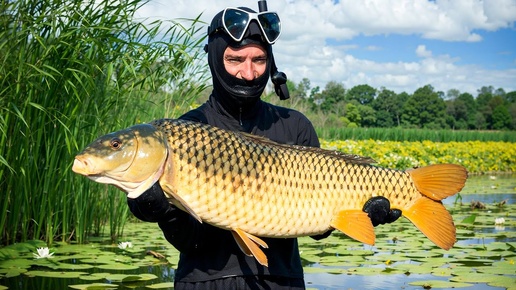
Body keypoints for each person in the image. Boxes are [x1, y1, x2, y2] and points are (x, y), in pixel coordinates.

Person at [127, 4, 400, 290]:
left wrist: (363, 212)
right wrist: (165, 212)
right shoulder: (188, 130)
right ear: (215, 59)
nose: (248, 72)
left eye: (259, 60)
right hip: (205, 281)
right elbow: (192, 241)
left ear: (270, 63)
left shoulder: (294, 125)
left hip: (282, 281)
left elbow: (318, 229)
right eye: (235, 59)